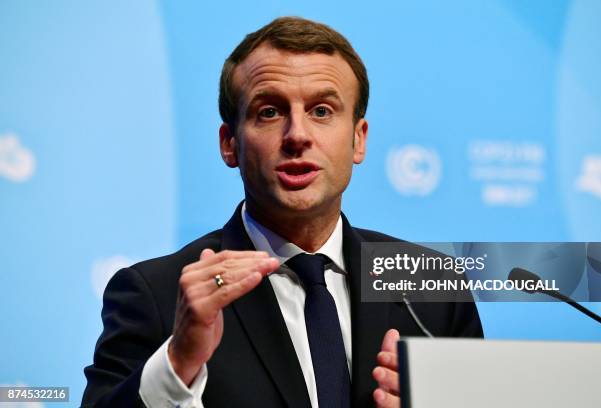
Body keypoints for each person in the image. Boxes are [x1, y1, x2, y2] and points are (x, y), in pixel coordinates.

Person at [82, 16, 482, 408]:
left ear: (358, 140)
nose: (297, 136)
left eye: (322, 110)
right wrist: (178, 362)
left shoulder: (430, 286)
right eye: (269, 112)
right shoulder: (158, 294)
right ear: (230, 144)